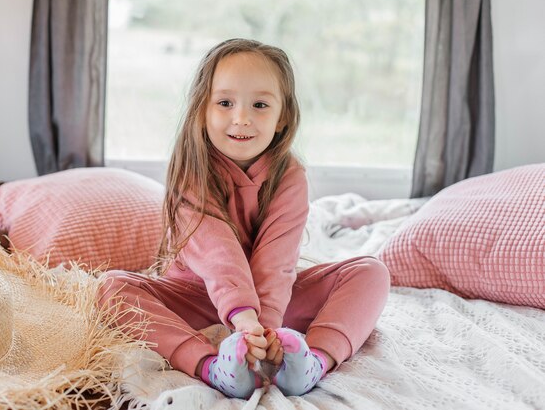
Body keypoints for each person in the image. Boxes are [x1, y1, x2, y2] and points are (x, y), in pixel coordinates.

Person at [97, 38, 390, 398]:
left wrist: (262, 333)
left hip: (271, 302)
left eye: (260, 105)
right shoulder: (193, 170)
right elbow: (218, 254)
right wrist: (245, 322)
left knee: (370, 272)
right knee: (111, 287)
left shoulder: (290, 176)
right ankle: (212, 366)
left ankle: (313, 363)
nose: (242, 118)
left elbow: (276, 261)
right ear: (202, 111)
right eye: (224, 103)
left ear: (282, 117)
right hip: (194, 297)